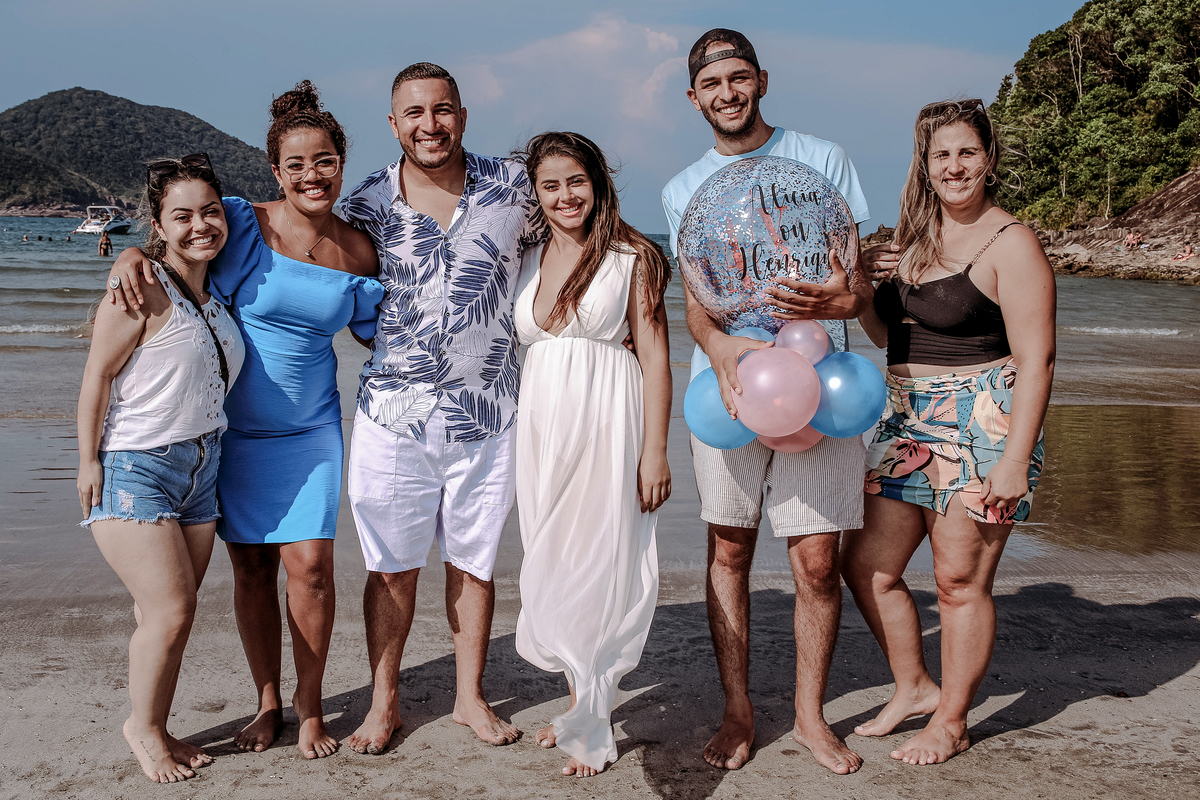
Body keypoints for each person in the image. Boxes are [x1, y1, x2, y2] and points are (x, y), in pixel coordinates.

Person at [105, 82, 383, 760]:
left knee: (311, 567)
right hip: (230, 433)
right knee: (252, 571)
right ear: (276, 172)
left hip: (310, 431)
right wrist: (129, 255)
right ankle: (268, 704)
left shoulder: (360, 253)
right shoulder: (241, 220)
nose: (311, 175)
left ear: (342, 161)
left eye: (324, 161)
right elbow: (175, 239)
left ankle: (311, 709)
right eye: (296, 165)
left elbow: (385, 339)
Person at [660, 28, 873, 775]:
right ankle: (739, 709)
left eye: (739, 78)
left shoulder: (825, 159)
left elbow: (863, 286)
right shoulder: (682, 187)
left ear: (762, 80)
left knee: (817, 562)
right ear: (695, 97)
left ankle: (812, 717)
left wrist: (839, 298)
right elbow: (694, 302)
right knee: (729, 549)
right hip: (726, 392)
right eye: (713, 84)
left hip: (819, 389)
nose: (728, 93)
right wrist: (717, 348)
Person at [338, 62, 546, 754]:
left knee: (474, 562)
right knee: (391, 566)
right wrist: (142, 260)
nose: (432, 125)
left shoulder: (514, 185)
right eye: (416, 113)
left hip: (487, 411)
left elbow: (586, 226)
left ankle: (468, 697)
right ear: (393, 124)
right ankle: (384, 702)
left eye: (444, 109)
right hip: (392, 413)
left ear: (462, 113)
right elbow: (288, 240)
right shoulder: (365, 203)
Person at [843, 99, 1055, 765]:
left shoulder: (1011, 242)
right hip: (909, 416)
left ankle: (954, 721)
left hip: (983, 421)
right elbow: (891, 337)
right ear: (926, 166)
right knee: (867, 566)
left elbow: (1038, 358)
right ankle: (913, 686)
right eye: (942, 156)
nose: (955, 166)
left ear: (988, 158)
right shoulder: (917, 240)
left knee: (959, 581)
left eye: (968, 152)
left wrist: (1015, 460)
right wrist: (859, 286)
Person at [76, 155, 245, 783]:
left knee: (171, 612)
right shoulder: (138, 286)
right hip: (137, 467)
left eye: (210, 212)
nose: (200, 225)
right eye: (182, 216)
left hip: (203, 467)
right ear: (157, 224)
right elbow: (96, 377)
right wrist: (87, 460)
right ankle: (141, 729)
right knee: (171, 611)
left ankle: (158, 721)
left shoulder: (215, 290)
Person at [512, 132, 672, 777]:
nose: (564, 195)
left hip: (610, 420)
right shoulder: (526, 258)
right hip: (543, 429)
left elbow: (657, 356)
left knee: (599, 565)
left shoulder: (632, 257)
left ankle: (590, 726)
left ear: (599, 181)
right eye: (550, 185)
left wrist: (655, 451)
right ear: (536, 193)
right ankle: (580, 700)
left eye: (575, 180)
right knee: (552, 561)